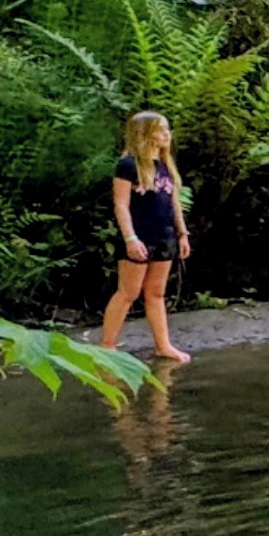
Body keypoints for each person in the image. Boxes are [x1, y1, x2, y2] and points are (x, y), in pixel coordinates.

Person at [100, 108, 195, 364]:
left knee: (156, 292)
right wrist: (130, 238)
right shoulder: (128, 165)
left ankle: (163, 345)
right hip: (139, 235)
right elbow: (120, 205)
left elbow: (174, 203)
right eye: (161, 129)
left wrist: (182, 233)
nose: (167, 134)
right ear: (145, 133)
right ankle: (107, 345)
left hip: (164, 236)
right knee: (128, 292)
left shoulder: (165, 166)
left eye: (167, 129)